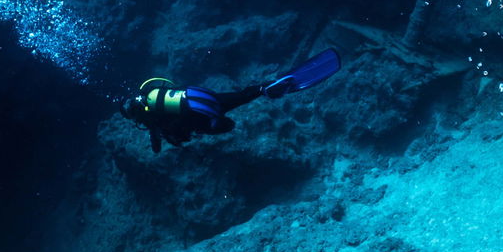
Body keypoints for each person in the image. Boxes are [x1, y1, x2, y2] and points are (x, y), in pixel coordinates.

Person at [120, 48, 341, 153]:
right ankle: (265, 88)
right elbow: (174, 86)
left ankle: (217, 121)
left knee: (224, 126)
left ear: (132, 113)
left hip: (199, 113)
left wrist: (166, 139)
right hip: (202, 95)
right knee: (242, 96)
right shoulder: (151, 92)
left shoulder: (147, 116)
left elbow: (156, 145)